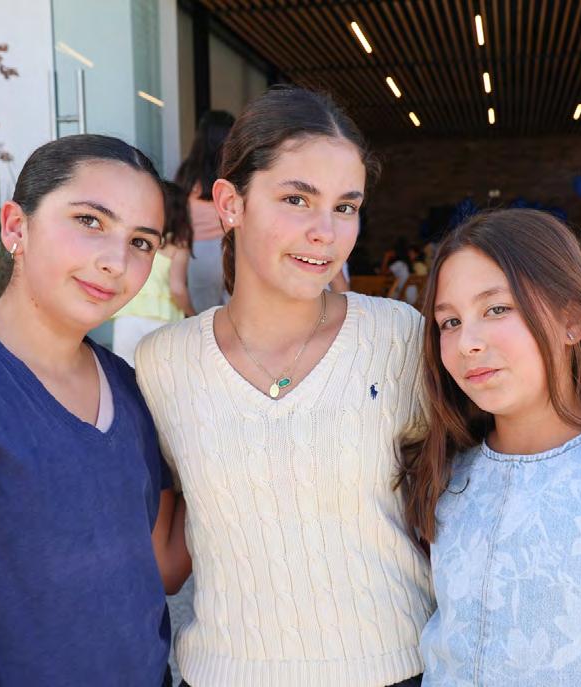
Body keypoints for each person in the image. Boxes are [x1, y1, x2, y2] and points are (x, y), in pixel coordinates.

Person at [135, 86, 434, 687]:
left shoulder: (398, 337)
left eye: (346, 206)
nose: (326, 231)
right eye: (297, 199)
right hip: (223, 673)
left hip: (392, 667)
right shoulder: (163, 363)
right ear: (231, 203)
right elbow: (163, 555)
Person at [0, 134, 190, 686]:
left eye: (141, 242)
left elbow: (163, 567)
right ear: (15, 227)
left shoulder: (131, 389)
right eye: (90, 221)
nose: (115, 262)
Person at [399, 209, 581, 685]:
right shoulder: (443, 474)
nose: (466, 343)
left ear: (572, 321)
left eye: (496, 309)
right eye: (449, 322)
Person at [113, 181, 195, 367]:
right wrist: (193, 315)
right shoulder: (177, 245)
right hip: (162, 320)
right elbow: (177, 289)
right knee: (160, 376)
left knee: (125, 374)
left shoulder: (135, 240)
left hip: (128, 317)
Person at [175, 110, 235, 313]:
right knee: (235, 315)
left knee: (204, 318)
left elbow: (179, 214)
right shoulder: (233, 170)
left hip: (198, 251)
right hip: (231, 246)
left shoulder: (187, 173)